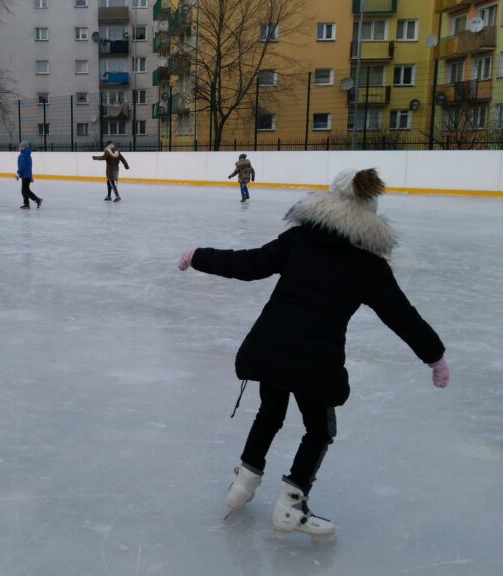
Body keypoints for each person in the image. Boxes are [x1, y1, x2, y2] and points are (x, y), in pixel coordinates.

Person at [177, 168, 448, 542]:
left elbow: (250, 264)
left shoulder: (299, 240)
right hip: (315, 363)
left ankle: (243, 481)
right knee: (319, 429)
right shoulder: (369, 267)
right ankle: (291, 504)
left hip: (269, 348)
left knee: (270, 412)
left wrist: (199, 256)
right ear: (369, 211)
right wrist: (434, 356)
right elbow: (400, 315)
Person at [15, 141, 42, 209]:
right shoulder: (28, 155)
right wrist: (31, 176)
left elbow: (22, 166)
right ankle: (27, 204)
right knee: (24, 190)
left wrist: (18, 173)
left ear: (23, 147)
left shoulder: (23, 155)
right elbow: (29, 167)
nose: (19, 148)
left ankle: (37, 200)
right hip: (27, 175)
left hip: (25, 175)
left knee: (25, 190)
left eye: (20, 147)